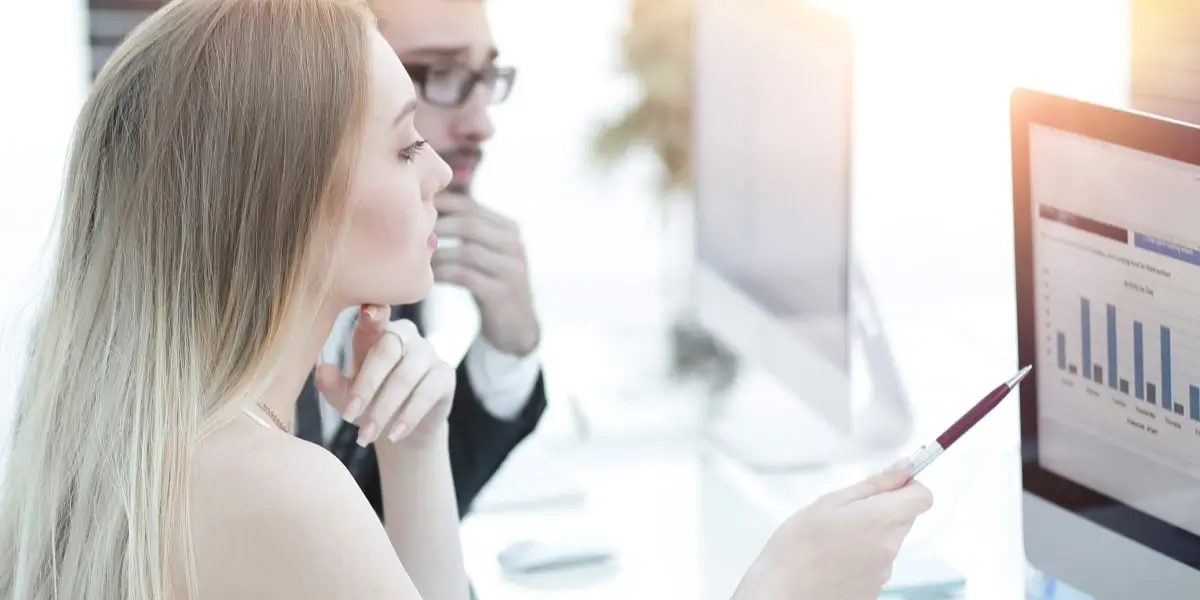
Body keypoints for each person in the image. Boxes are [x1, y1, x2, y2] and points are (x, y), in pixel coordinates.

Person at [0, 1, 933, 599]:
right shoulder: (274, 484)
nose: (443, 169)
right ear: (294, 198)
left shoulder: (161, 429)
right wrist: (785, 585)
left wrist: (417, 453)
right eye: (408, 145)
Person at [298, 0, 545, 519]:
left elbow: (392, 520)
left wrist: (509, 349)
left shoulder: (388, 251)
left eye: (484, 77)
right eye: (439, 73)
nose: (481, 125)